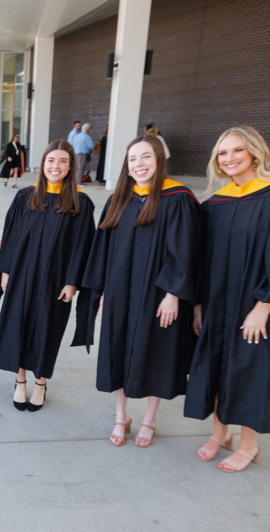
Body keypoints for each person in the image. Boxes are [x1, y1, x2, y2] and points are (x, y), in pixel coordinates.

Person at [185, 126, 270, 472]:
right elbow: (202, 258)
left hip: (261, 303)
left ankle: (249, 444)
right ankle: (220, 433)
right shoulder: (217, 201)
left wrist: (264, 305)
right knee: (215, 364)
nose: (229, 159)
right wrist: (199, 304)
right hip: (218, 302)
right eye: (222, 153)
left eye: (237, 151)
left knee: (251, 370)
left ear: (255, 153)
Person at [81, 135, 199, 447]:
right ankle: (121, 416)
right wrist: (104, 290)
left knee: (155, 351)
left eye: (146, 157)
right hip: (119, 292)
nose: (139, 164)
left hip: (157, 295)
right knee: (117, 347)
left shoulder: (177, 198)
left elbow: (186, 251)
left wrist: (174, 293)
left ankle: (150, 419)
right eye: (133, 159)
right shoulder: (120, 198)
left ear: (159, 160)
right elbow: (103, 250)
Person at [0, 141, 96, 411]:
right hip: (22, 277)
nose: (55, 166)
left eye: (62, 161)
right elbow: (10, 237)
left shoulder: (80, 203)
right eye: (50, 160)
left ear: (71, 165)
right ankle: (21, 381)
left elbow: (83, 245)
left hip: (56, 282)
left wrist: (72, 282)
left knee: (49, 330)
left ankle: (41, 383)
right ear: (43, 163)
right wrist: (5, 271)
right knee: (19, 327)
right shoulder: (26, 196)